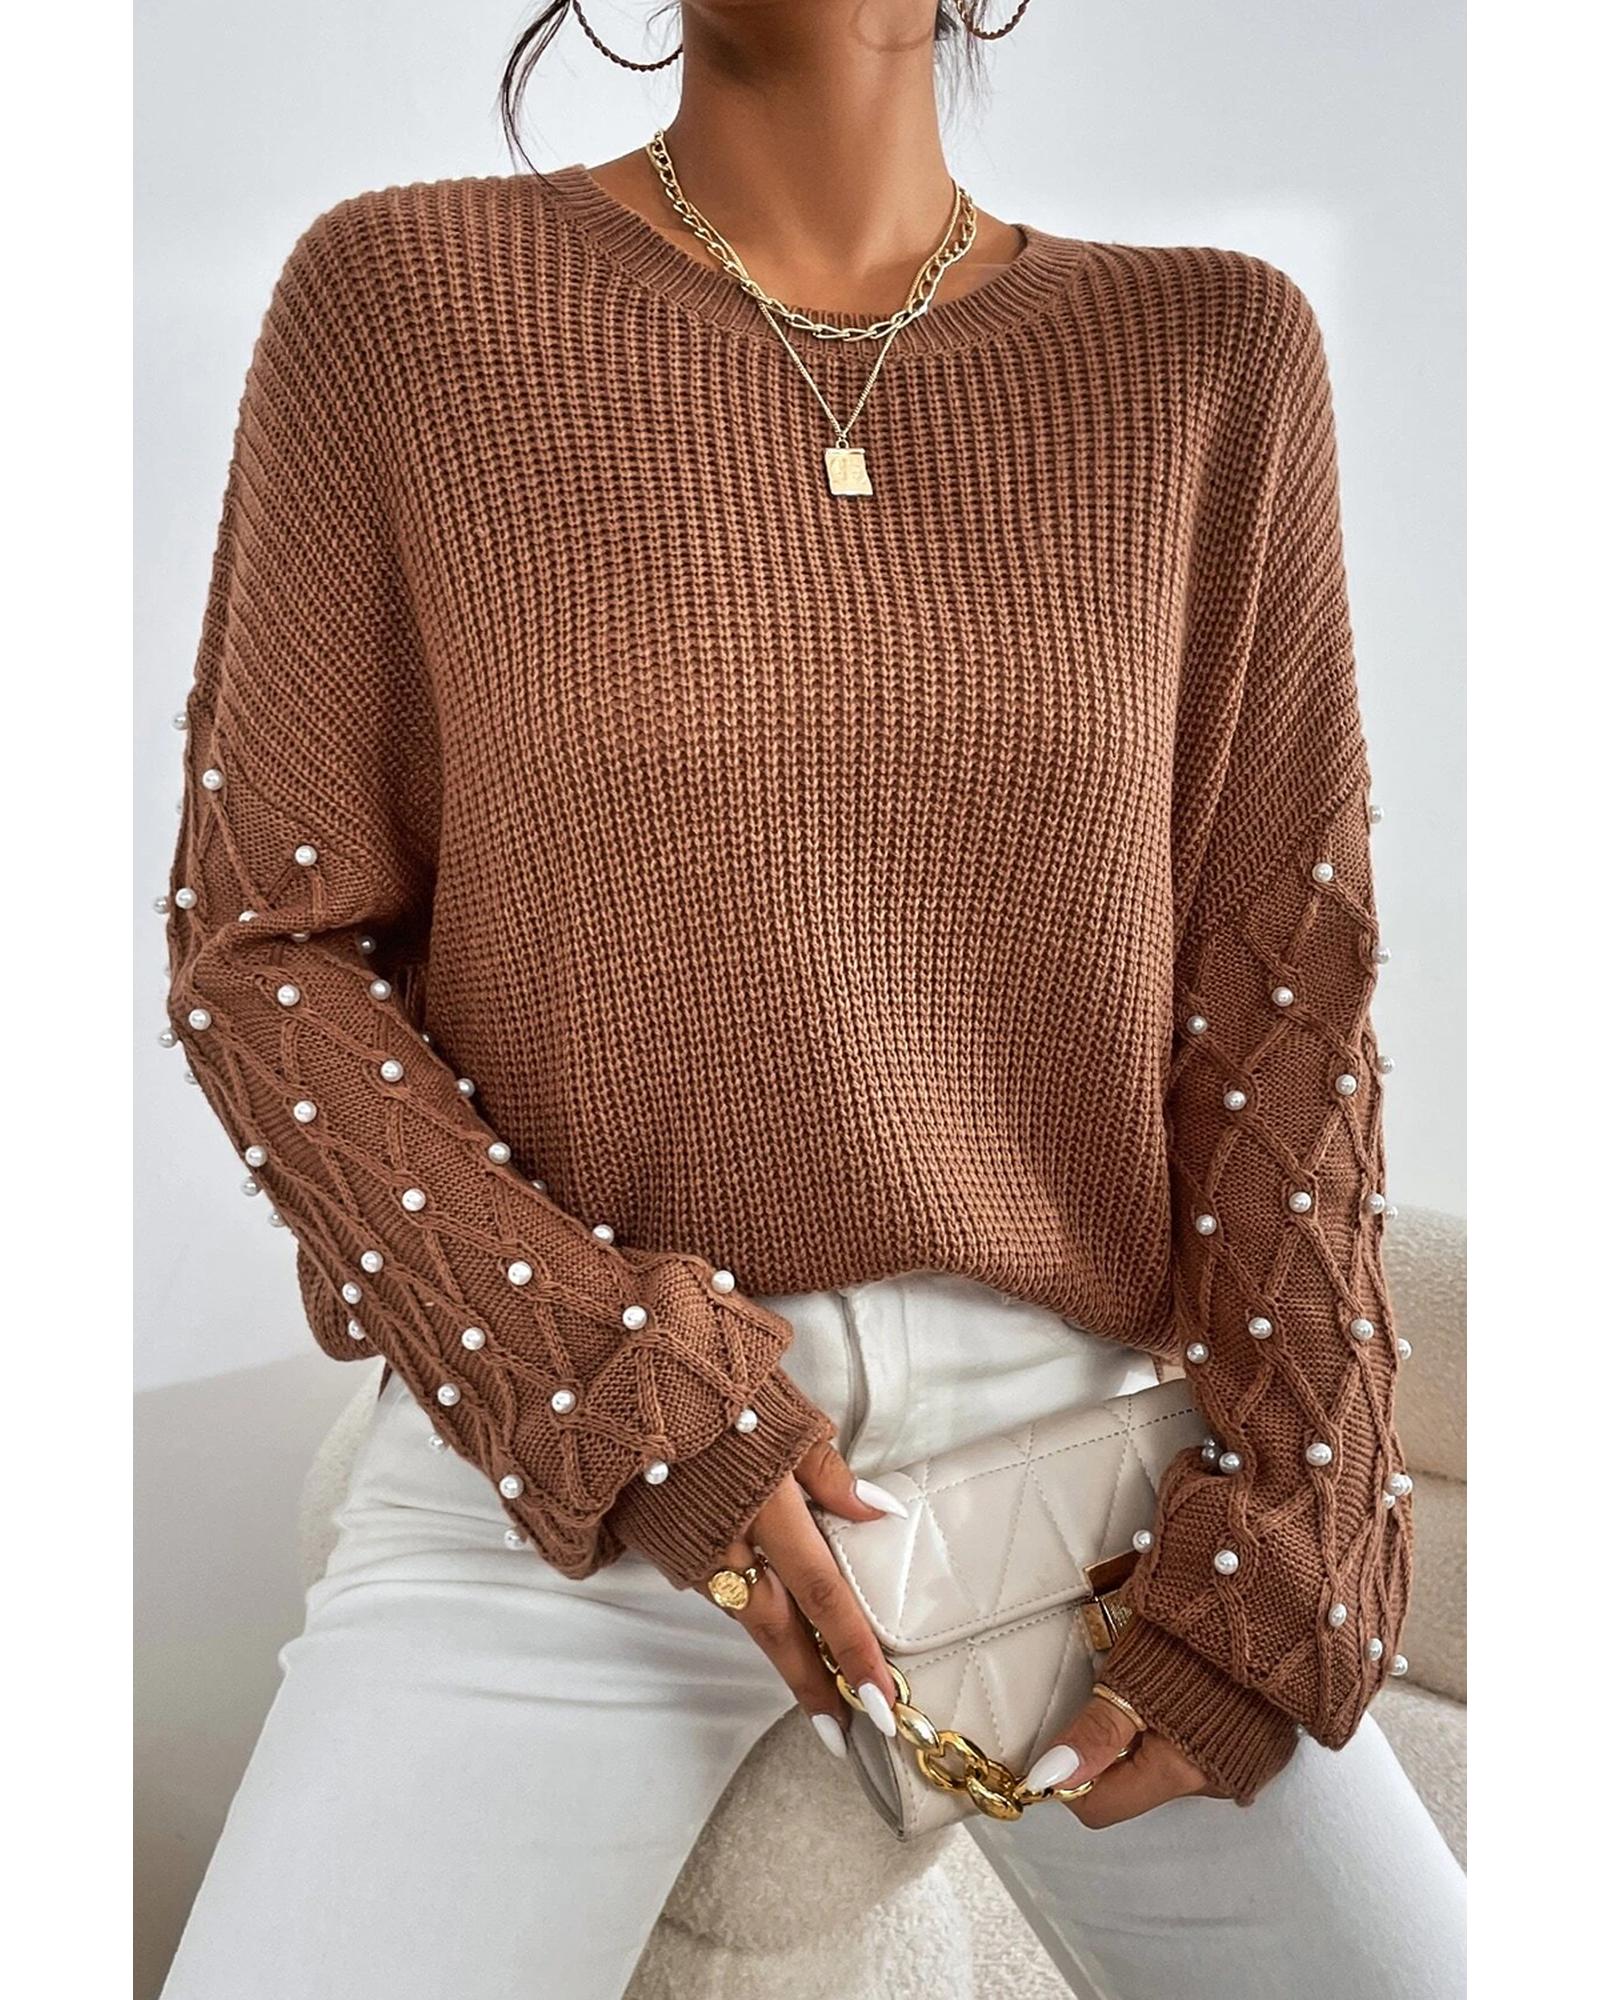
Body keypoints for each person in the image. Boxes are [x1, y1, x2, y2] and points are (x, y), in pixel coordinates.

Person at [155, 4, 1466, 1995]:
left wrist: (1306, 1514)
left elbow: (1279, 1004)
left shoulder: (1214, 352)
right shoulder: (402, 301)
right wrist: (611, 1386)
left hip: (1081, 1460)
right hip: (590, 1448)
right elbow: (261, 948)